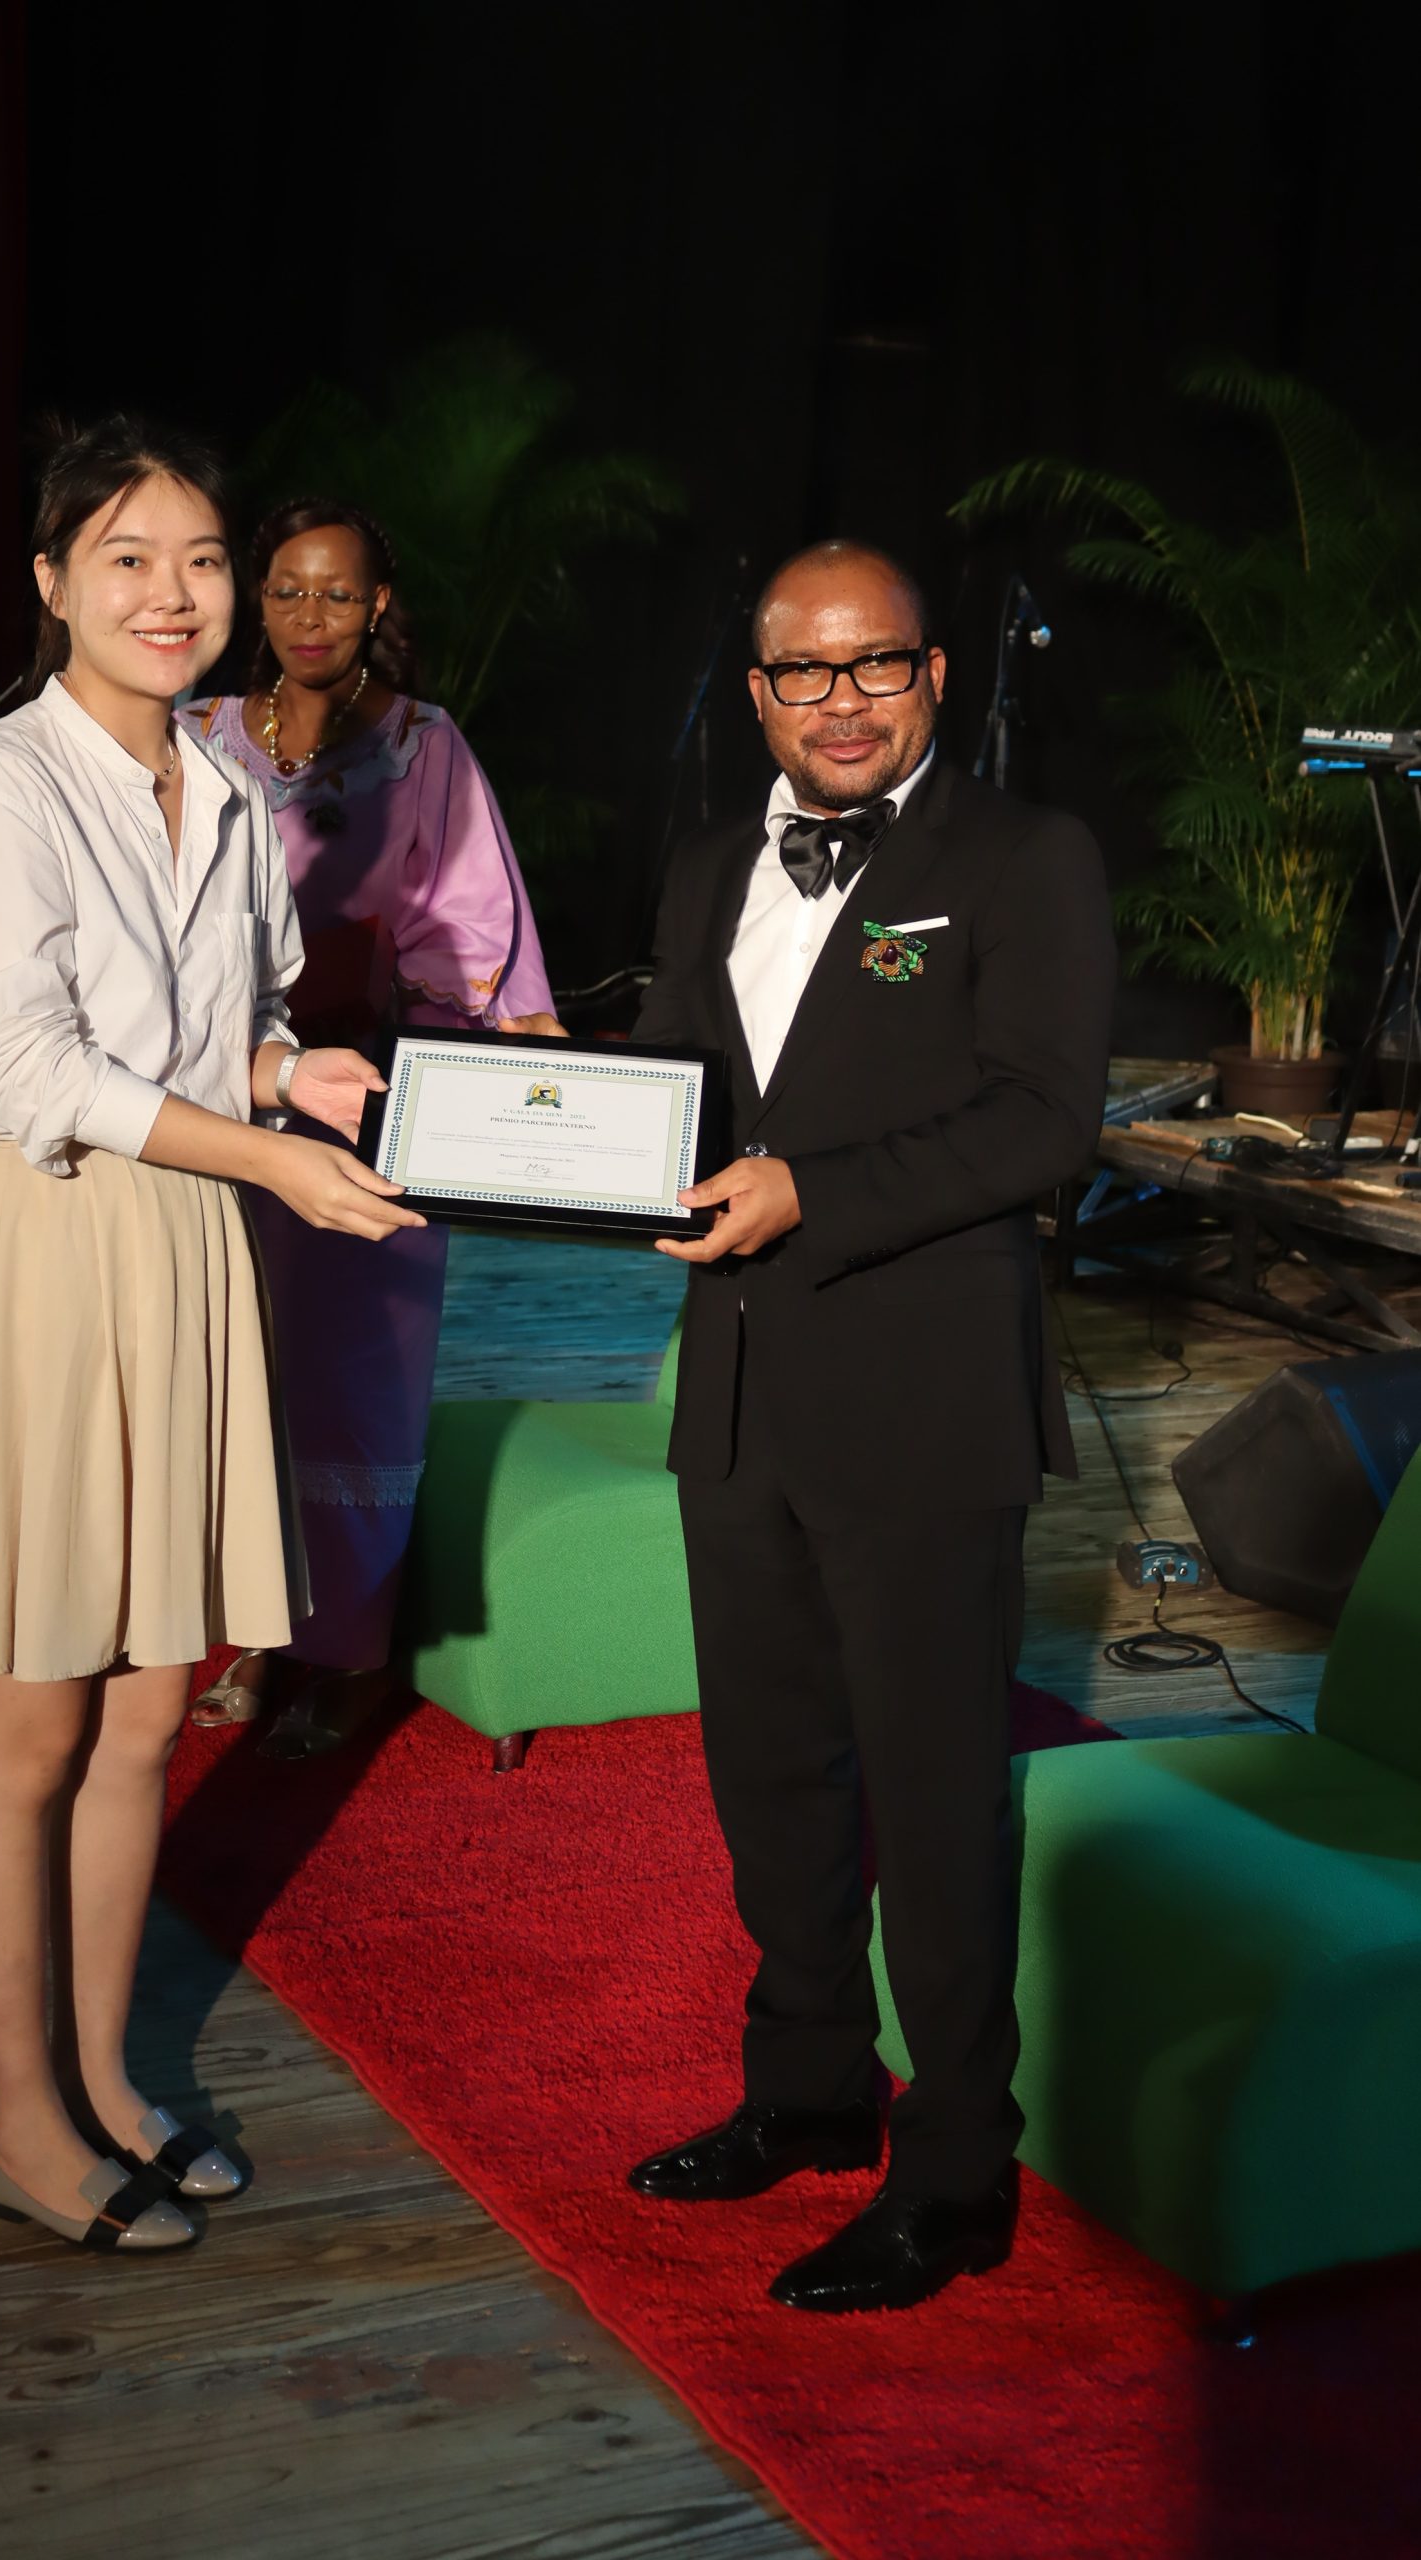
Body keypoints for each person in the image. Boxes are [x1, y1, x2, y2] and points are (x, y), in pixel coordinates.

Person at [0, 419, 423, 2253]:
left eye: (198, 559)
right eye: (126, 557)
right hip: (35, 1245)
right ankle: (18, 2124)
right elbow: (31, 1068)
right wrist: (260, 1142)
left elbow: (226, 1024)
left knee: (136, 1720)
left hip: (184, 1243)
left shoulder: (226, 785)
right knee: (23, 1726)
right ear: (51, 583)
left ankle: (105, 2080)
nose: (171, 595)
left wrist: (289, 1073)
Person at [622, 541, 1115, 2310]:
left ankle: (957, 2169)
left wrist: (808, 1194)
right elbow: (675, 1082)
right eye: (802, 672)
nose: (839, 702)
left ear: (932, 675)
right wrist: (535, 1098)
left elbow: (1043, 1119)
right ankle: (811, 2091)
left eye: (875, 665)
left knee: (930, 1791)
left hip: (920, 1402)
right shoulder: (706, 865)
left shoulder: (1022, 858)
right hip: (737, 1390)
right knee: (767, 1775)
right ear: (755, 691)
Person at [181, 499, 554, 1746]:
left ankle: (349, 1646)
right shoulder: (195, 733)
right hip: (218, 1103)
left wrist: (433, 1022)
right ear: (255, 596)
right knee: (231, 1371)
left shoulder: (423, 745)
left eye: (338, 593)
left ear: (377, 605)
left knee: (354, 1385)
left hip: (373, 1104)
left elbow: (475, 926)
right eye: (288, 589)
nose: (310, 615)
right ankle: (251, 1628)